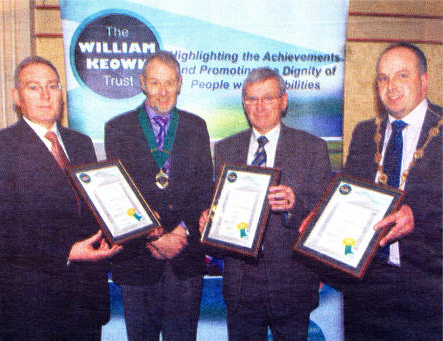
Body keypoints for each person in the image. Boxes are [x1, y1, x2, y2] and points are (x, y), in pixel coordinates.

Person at [0, 56, 122, 340]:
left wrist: (115, 230)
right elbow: (1, 234)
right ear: (16, 96)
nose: (45, 95)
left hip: (86, 300)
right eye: (33, 87)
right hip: (30, 306)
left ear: (61, 93)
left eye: (52, 86)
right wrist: (66, 251)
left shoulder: (81, 143)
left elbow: (90, 213)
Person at [200, 67, 332, 340]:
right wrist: (209, 218)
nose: (259, 107)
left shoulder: (312, 148)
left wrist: (295, 203)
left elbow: (325, 214)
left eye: (268, 98)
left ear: (283, 101)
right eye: (251, 99)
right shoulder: (226, 148)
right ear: (244, 104)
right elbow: (219, 204)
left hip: (292, 283)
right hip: (240, 286)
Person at [104, 51, 214, 341]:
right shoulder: (117, 129)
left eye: (169, 83)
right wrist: (153, 236)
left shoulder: (196, 127)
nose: (163, 92)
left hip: (185, 255)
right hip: (137, 259)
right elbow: (118, 195)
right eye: (155, 83)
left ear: (180, 83)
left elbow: (205, 190)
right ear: (142, 83)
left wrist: (181, 230)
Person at [341, 42, 442, 340]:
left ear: (423, 81)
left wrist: (417, 214)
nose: (391, 86)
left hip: (431, 289)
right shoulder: (363, 133)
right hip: (367, 288)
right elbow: (348, 197)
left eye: (402, 76)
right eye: (383, 78)